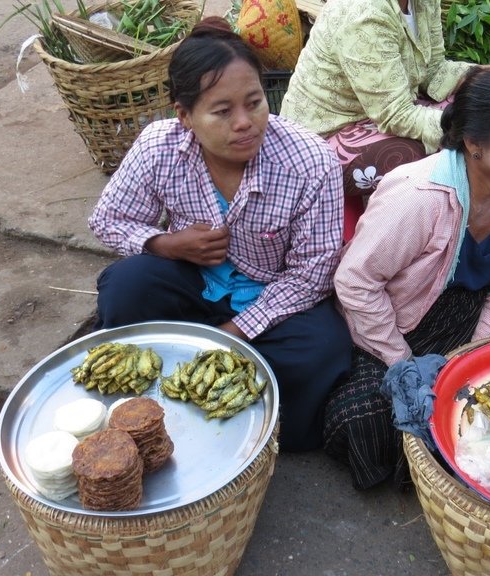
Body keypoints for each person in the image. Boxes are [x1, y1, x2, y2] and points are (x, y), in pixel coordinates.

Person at [88, 17, 352, 452]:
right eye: (222, 111)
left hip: (273, 296)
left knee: (323, 350)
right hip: (195, 279)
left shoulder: (310, 162)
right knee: (126, 285)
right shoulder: (160, 146)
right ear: (185, 116)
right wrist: (165, 244)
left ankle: (272, 438)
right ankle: (140, 405)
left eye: (254, 103)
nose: (245, 123)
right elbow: (108, 219)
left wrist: (236, 329)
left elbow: (313, 273)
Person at [327, 66, 490, 489]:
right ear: (474, 143)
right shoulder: (419, 196)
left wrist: (473, 357)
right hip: (399, 321)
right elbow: (356, 283)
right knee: (364, 421)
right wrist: (402, 363)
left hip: (470, 314)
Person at [279, 0, 490, 201]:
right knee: (433, 154)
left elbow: (434, 72)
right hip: (322, 139)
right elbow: (396, 115)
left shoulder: (423, 2)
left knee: (488, 108)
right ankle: (413, 238)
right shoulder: (364, 12)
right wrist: (476, 131)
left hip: (376, 117)